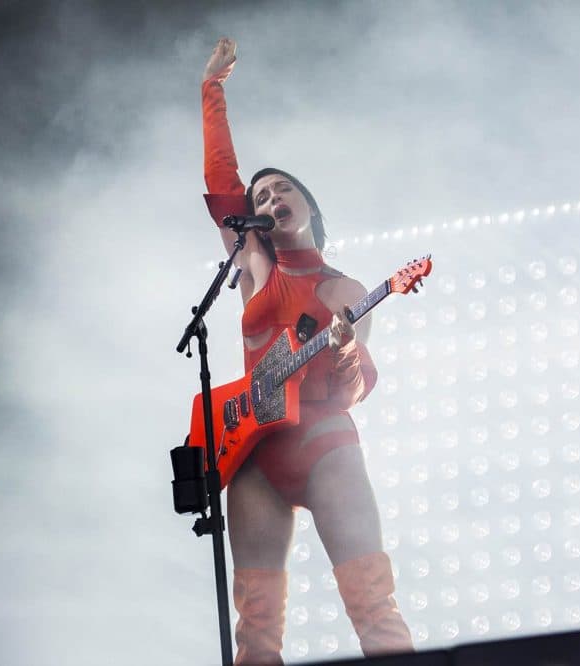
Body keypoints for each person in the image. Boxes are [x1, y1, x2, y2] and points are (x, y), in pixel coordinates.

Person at [200, 37, 414, 663]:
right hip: (255, 450)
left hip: (324, 443)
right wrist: (211, 92)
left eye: (281, 191)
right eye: (260, 197)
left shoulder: (344, 288)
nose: (268, 200)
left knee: (372, 603)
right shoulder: (253, 266)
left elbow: (348, 391)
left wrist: (344, 347)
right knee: (256, 623)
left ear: (308, 208)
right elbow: (221, 180)